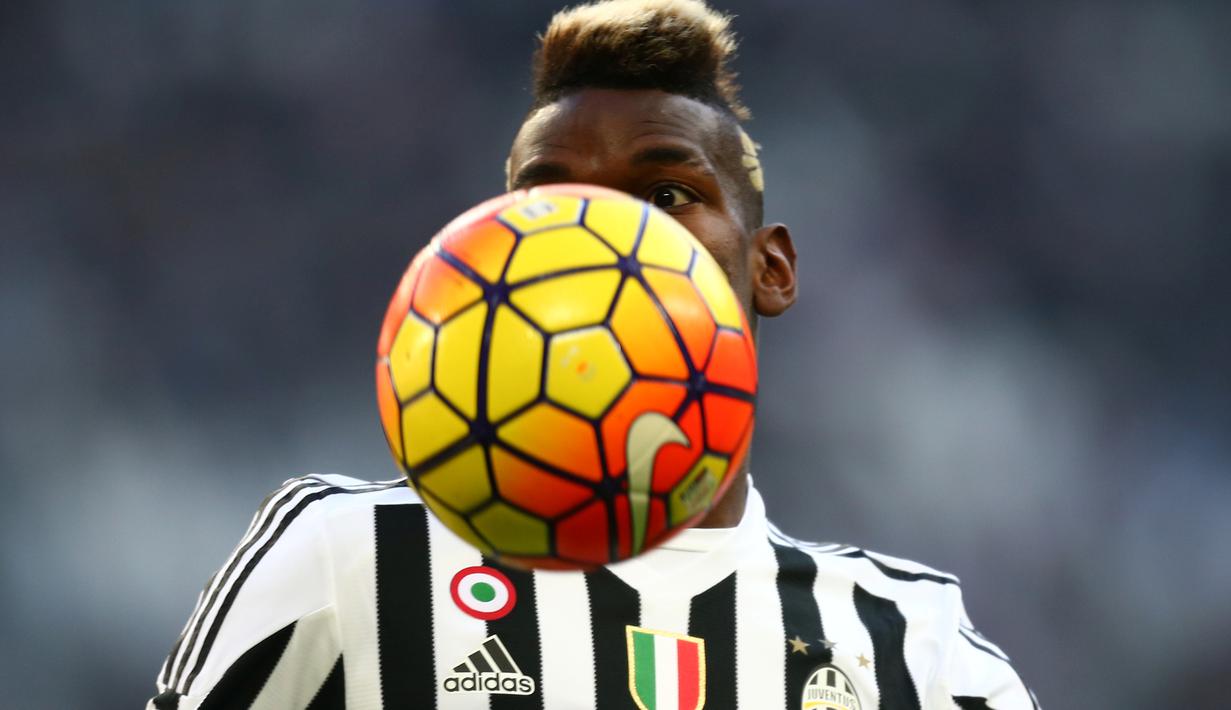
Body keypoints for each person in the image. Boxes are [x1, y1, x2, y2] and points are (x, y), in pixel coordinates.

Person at [149, 1, 1038, 708]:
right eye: (555, 200)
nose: (607, 235)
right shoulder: (349, 559)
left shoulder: (912, 644)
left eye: (666, 192)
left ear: (769, 269)